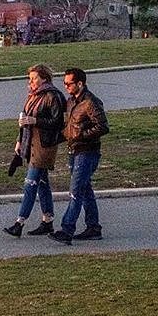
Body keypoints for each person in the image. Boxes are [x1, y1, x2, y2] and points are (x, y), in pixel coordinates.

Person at [4, 64, 66, 238]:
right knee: (42, 183)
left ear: (44, 78)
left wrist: (34, 121)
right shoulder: (33, 96)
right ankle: (48, 220)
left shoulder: (52, 96)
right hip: (30, 143)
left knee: (30, 184)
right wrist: (19, 140)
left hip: (44, 145)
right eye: (30, 78)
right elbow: (25, 120)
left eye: (34, 78)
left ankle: (19, 222)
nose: (30, 81)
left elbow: (57, 123)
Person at [49, 68, 109, 245]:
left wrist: (82, 135)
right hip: (74, 150)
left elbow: (103, 126)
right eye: (65, 83)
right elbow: (70, 126)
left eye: (69, 83)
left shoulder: (90, 102)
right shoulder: (71, 102)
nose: (66, 86)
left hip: (87, 152)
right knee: (85, 189)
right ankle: (93, 227)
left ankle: (67, 229)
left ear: (80, 84)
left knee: (75, 191)